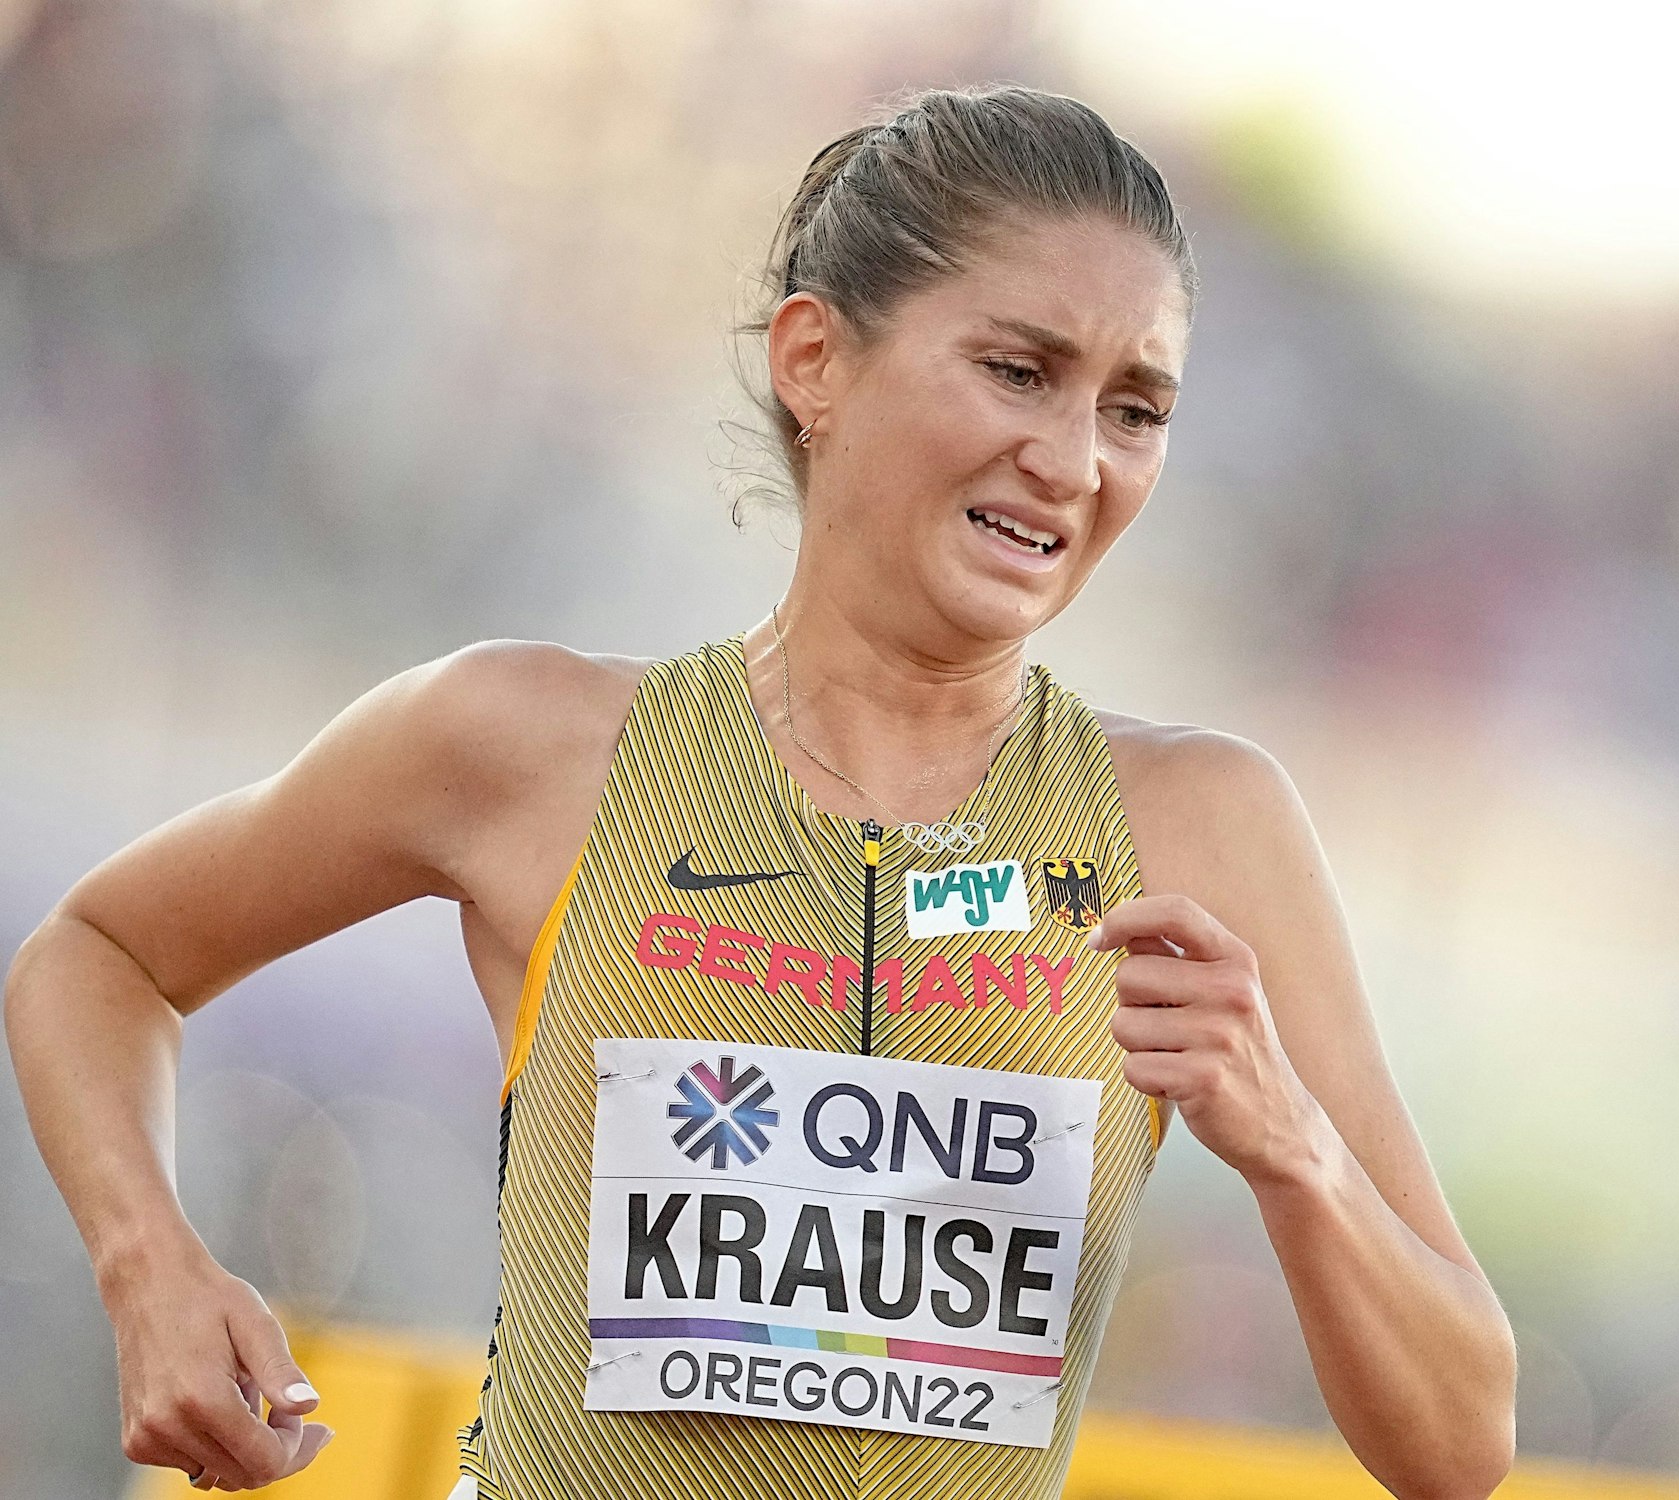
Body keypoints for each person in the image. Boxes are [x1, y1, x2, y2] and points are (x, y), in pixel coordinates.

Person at [4, 84, 1516, 1498]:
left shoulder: (1200, 824)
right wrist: (152, 1268)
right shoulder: (527, 743)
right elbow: (98, 955)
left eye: (1137, 408)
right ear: (814, 362)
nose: (1073, 460)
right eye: (1018, 371)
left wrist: (1296, 1149)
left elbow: (1460, 1446)